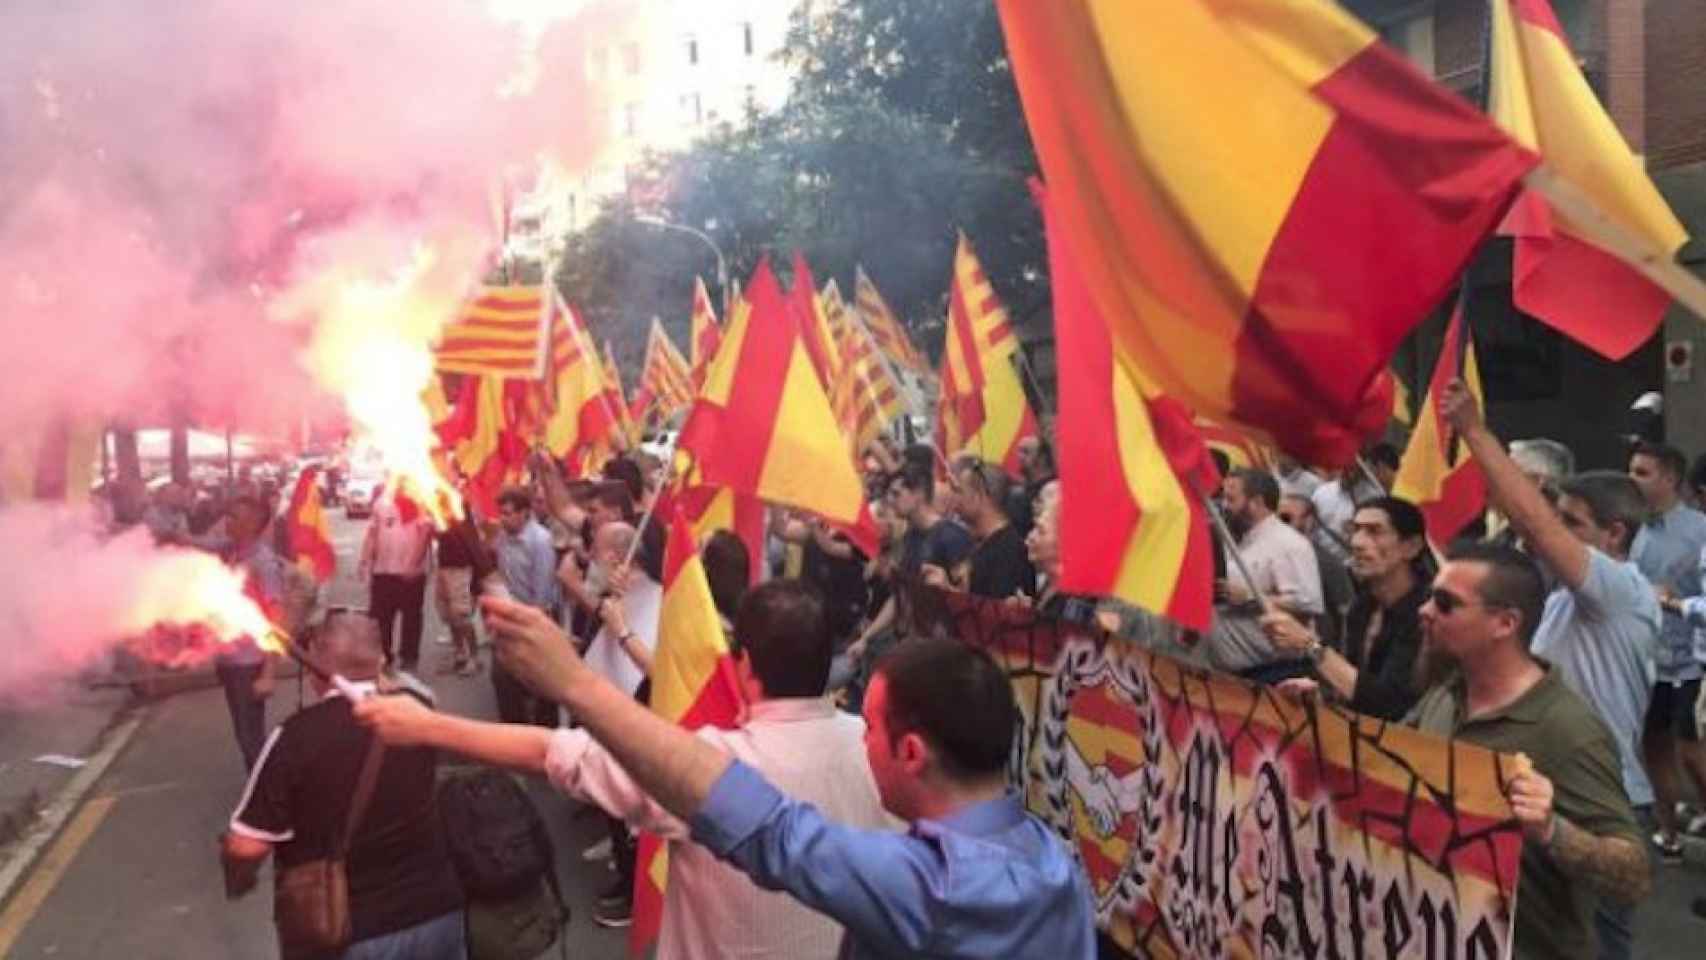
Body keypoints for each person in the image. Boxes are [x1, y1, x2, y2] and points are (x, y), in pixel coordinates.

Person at [471, 598, 1096, 959]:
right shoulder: (1058, 869)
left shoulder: (933, 888)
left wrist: (575, 687)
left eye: (871, 727)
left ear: (912, 752)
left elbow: (770, 828)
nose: (859, 735)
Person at [357, 580, 893, 960]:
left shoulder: (706, 769)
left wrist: (426, 727)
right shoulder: (882, 756)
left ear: (744, 664)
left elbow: (552, 751)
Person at [1440, 379, 1659, 959]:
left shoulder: (1618, 592)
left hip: (1597, 802)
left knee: (1591, 946)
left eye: (1573, 524)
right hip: (1536, 796)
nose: (1554, 534)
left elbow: (1537, 527)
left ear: (1614, 536)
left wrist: (1474, 431)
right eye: (1558, 517)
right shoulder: (1561, 598)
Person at [1402, 543, 1649, 960]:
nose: (1425, 611)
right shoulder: (1447, 694)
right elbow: (1388, 759)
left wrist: (1552, 830)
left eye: (1446, 604)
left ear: (1505, 623)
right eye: (1430, 596)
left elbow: (1633, 875)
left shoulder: (1566, 730)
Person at [222, 612, 465, 959]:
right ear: (381, 660)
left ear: (317, 664)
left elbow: (247, 846)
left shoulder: (296, 737)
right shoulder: (420, 712)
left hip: (353, 930)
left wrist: (233, 868)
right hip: (439, 914)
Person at [1264, 497, 1432, 720]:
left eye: (1374, 531)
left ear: (1411, 547)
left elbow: (1386, 702)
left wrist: (1309, 644)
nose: (1357, 542)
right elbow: (1350, 685)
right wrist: (1318, 695)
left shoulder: (1428, 613)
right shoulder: (1362, 606)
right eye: (1356, 530)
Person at [1629, 442, 1706, 859]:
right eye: (1632, 471)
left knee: (1693, 755)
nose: (1633, 480)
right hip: (1646, 659)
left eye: (1643, 472)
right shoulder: (1630, 527)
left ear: (1671, 479)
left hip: (1691, 662)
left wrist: (1673, 602)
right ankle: (1668, 832)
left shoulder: (1700, 529)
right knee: (1654, 746)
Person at [1207, 468, 1325, 683]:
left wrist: (1253, 597)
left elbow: (1309, 604)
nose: (1223, 506)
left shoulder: (1290, 544)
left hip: (1274, 673)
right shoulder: (1232, 538)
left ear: (1257, 503)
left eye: (1231, 499)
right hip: (1229, 672)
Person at [847, 464, 973, 660]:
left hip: (941, 651)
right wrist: (866, 638)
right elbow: (900, 596)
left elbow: (967, 601)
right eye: (889, 494)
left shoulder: (952, 537)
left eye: (897, 493)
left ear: (919, 494)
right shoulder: (910, 536)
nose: (890, 500)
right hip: (910, 644)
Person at [214, 493, 283, 772]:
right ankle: (262, 792)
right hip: (230, 660)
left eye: (233, 516)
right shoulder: (232, 551)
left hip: (249, 664)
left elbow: (276, 619)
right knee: (244, 734)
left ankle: (266, 798)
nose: (226, 521)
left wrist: (268, 673)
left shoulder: (263, 562)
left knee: (250, 737)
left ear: (253, 524)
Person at [492, 486, 560, 728]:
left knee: (541, 683)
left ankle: (545, 733)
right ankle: (514, 731)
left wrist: (531, 627)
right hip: (507, 617)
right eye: (501, 513)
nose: (503, 518)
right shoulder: (502, 536)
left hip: (531, 618)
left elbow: (542, 593)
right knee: (503, 679)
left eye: (508, 513)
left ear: (525, 513)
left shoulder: (540, 541)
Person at [358, 484, 433, 672]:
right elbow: (372, 533)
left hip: (411, 575)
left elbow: (425, 534)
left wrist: (413, 564)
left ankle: (409, 657)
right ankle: (383, 656)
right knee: (380, 618)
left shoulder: (420, 499)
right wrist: (364, 559)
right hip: (383, 571)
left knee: (411, 617)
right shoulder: (381, 502)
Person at [943, 458, 1035, 600]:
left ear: (980, 496)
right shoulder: (980, 542)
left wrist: (950, 592)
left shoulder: (1009, 551)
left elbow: (992, 614)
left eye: (958, 491)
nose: (953, 498)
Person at [1276, 494, 1354, 648]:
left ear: (1309, 521)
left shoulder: (1326, 563)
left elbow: (1346, 614)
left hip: (1315, 651)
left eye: (1286, 518)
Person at [433, 507, 480, 676]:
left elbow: (470, 536)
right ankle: (460, 653)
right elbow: (438, 535)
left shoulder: (459, 503)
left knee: (461, 615)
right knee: (448, 614)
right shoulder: (435, 502)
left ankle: (474, 658)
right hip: (444, 566)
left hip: (460, 568)